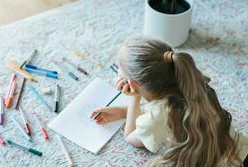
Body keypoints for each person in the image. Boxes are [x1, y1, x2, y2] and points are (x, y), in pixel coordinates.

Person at [91, 35, 248, 166]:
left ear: (132, 84)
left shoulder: (155, 118)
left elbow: (132, 137)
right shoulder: (191, 82)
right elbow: (168, 113)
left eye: (120, 71)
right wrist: (122, 112)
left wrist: (134, 98)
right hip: (240, 149)